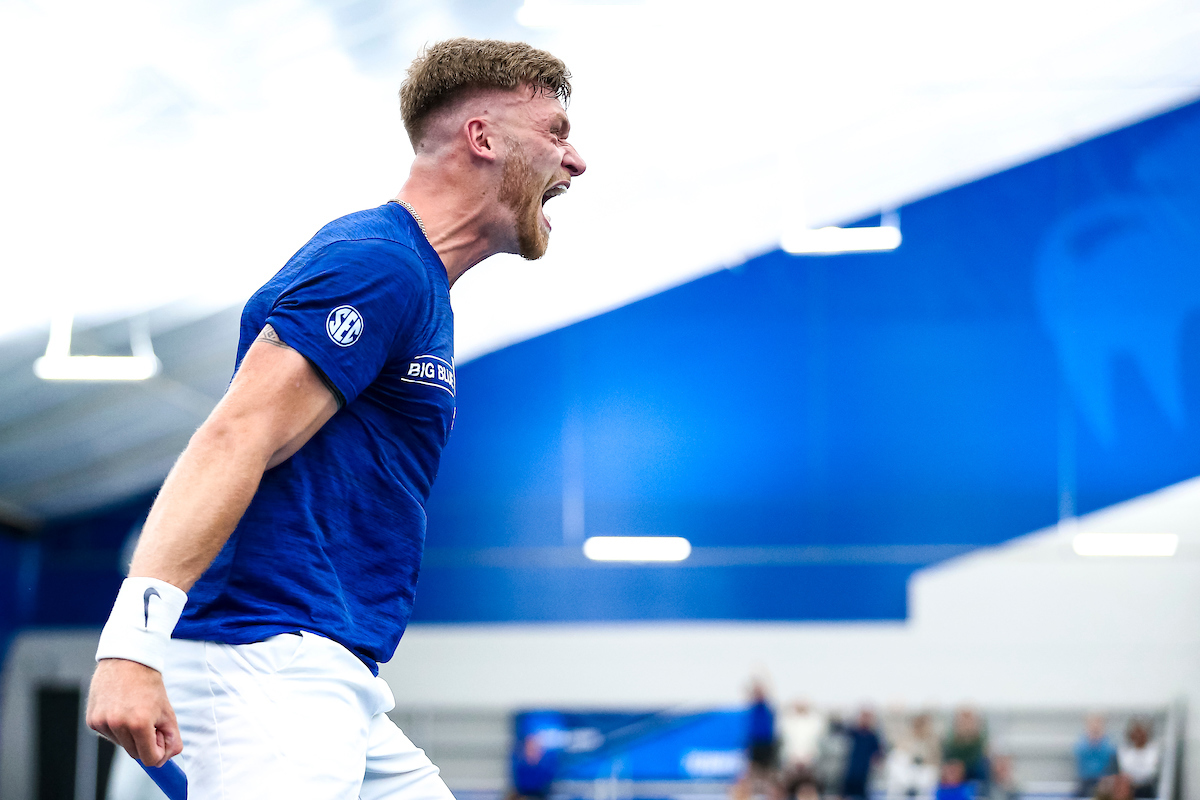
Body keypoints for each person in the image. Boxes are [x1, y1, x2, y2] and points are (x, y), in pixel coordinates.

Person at [85, 37, 586, 800]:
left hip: (325, 666)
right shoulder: (376, 263)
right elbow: (236, 434)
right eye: (556, 132)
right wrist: (130, 646)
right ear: (482, 138)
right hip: (259, 657)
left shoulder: (416, 282)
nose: (576, 160)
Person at [841, 708, 884, 800]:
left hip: (865, 775)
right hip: (850, 772)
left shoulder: (873, 737)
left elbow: (878, 755)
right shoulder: (852, 733)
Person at [943, 708, 989, 785]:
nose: (966, 726)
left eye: (969, 722)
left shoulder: (983, 748)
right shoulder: (949, 748)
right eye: (963, 722)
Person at [1116, 720, 1160, 799]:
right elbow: (1125, 769)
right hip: (1130, 787)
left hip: (1148, 787)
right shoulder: (1125, 750)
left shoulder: (1153, 750)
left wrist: (1137, 777)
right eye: (1136, 733)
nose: (1138, 736)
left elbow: (1150, 771)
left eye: (1141, 733)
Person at [1075, 714, 1117, 797]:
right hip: (1086, 780)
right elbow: (1083, 762)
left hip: (1104, 781)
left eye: (1098, 723)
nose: (1095, 726)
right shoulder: (1081, 743)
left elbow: (1108, 761)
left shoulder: (1109, 744)